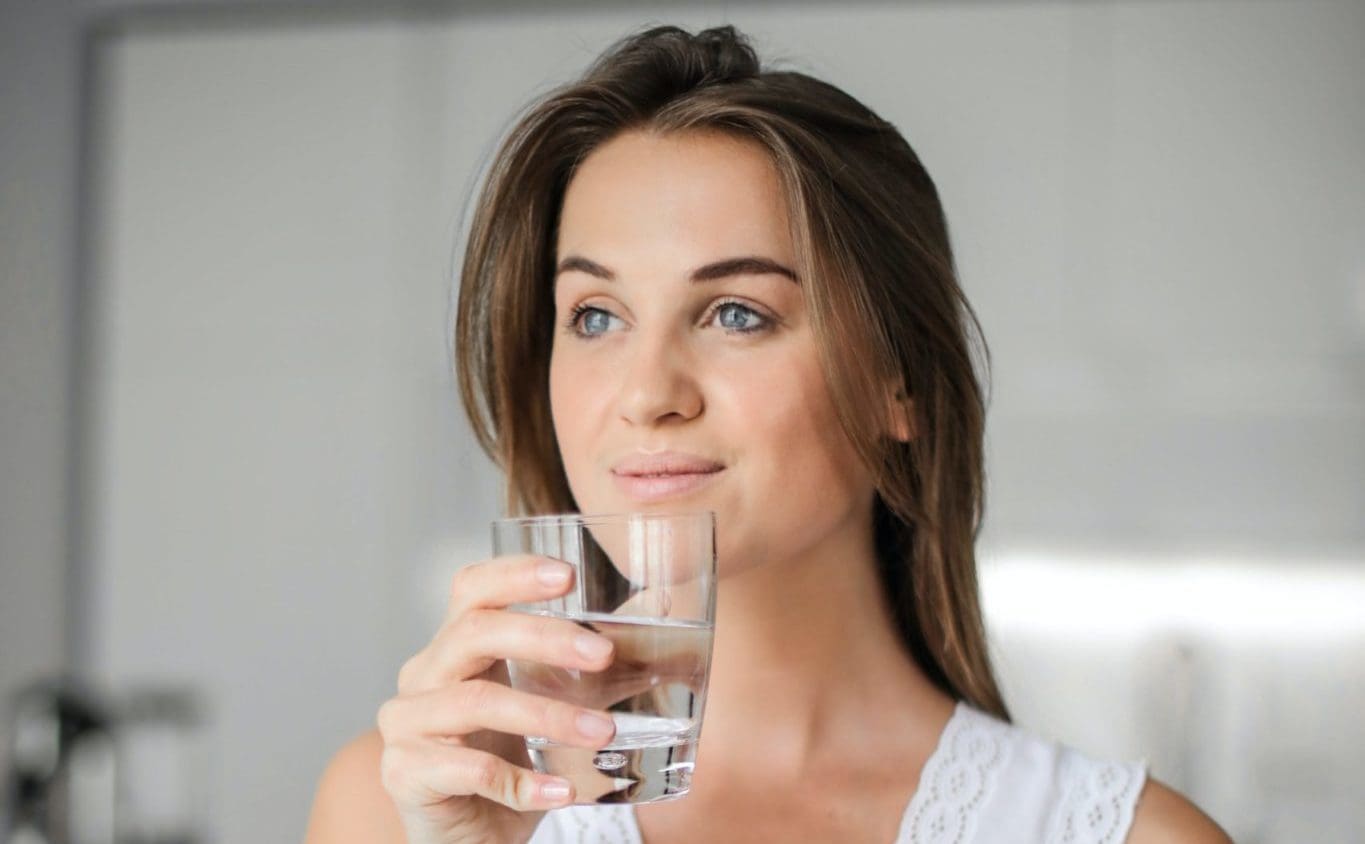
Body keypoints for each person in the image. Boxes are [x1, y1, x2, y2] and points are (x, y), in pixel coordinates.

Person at [305, 24, 1230, 844]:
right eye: (594, 316)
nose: (645, 393)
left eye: (736, 313)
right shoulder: (401, 806)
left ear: (894, 383)